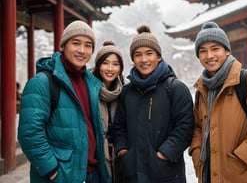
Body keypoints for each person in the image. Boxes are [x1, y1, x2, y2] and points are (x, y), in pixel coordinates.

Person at [189, 21, 247, 183]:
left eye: (215, 49)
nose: (209, 55)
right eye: (203, 51)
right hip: (209, 174)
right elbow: (198, 127)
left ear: (226, 51)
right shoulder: (202, 89)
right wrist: (197, 152)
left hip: (244, 174)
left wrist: (241, 158)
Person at [18, 20, 111, 183]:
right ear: (63, 46)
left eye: (88, 45)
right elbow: (30, 132)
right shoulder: (43, 82)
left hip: (92, 173)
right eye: (76, 43)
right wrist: (51, 169)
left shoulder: (91, 82)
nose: (82, 50)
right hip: (62, 175)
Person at [112, 25, 194, 183]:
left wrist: (163, 155)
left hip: (167, 174)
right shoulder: (127, 92)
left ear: (159, 56)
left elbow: (185, 127)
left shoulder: (175, 88)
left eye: (149, 53)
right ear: (133, 59)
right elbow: (119, 127)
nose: (144, 60)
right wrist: (123, 152)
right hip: (133, 173)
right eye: (138, 55)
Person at [92, 40, 125, 183]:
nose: (110, 68)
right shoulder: (89, 89)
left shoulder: (125, 91)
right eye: (105, 63)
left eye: (115, 64)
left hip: (120, 157)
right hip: (95, 157)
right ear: (98, 65)